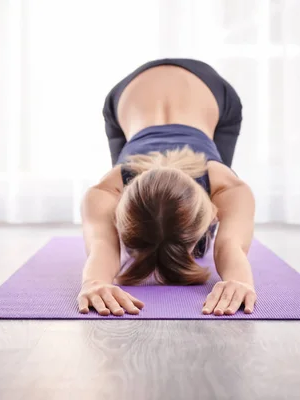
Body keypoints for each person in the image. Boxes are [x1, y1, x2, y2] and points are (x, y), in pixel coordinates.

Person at [78, 58, 256, 317]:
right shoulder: (106, 190)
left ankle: (182, 235)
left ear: (213, 210)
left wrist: (240, 281)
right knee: (147, 235)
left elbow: (230, 244)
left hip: (211, 93)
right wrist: (94, 282)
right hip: (125, 98)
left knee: (184, 241)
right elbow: (102, 243)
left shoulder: (226, 185)